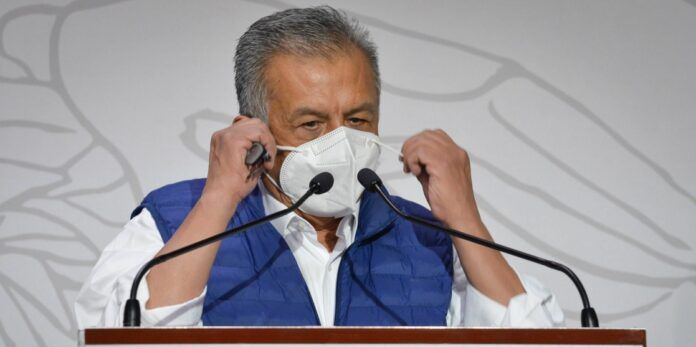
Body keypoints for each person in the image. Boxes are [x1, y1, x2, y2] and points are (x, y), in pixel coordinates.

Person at [75, 6, 564, 328]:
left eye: (358, 119)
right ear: (253, 130)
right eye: (311, 123)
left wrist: (464, 221)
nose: (340, 140)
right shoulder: (172, 219)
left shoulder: (427, 238)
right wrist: (218, 200)